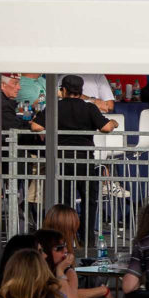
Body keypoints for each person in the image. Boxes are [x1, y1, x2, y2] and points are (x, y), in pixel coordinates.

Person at [35, 75, 118, 247]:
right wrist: (114, 123)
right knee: (89, 201)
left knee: (63, 202)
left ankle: (64, 239)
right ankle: (87, 239)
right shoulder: (89, 108)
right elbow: (106, 127)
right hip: (84, 160)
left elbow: (36, 126)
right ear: (81, 91)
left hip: (62, 160)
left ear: (63, 90)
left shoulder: (55, 107)